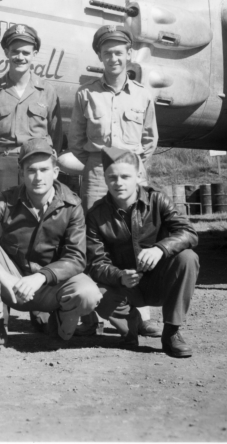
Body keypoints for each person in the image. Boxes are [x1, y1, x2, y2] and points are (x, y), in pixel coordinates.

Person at [0, 138, 102, 357]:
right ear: (21, 173)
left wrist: (41, 277)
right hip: (12, 284)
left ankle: (59, 324)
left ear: (56, 171)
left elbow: (76, 258)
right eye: (31, 170)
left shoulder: (72, 206)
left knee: (88, 293)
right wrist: (3, 276)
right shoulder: (7, 200)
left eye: (44, 169)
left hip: (51, 284)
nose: (38, 177)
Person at [67, 24, 160, 337]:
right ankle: (90, 315)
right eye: (107, 53)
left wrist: (132, 169)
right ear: (99, 56)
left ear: (129, 54)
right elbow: (77, 140)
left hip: (132, 171)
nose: (114, 58)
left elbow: (149, 140)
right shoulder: (86, 94)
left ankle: (142, 313)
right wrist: (98, 164)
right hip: (96, 172)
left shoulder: (144, 96)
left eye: (119, 52)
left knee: (136, 241)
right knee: (93, 242)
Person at [85, 147, 199, 357]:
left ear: (138, 176)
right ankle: (131, 322)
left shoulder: (157, 200)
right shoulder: (95, 215)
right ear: (105, 179)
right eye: (112, 177)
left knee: (188, 258)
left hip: (158, 282)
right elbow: (94, 263)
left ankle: (171, 332)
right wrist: (120, 276)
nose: (118, 183)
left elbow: (189, 233)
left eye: (125, 176)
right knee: (91, 290)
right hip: (124, 289)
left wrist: (160, 248)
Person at [0, 23, 63, 203]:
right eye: (15, 51)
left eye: (25, 53)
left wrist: (44, 159)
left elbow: (56, 133)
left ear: (34, 54)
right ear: (7, 52)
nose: (20, 57)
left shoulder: (47, 91)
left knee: (36, 221)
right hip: (3, 165)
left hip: (36, 165)